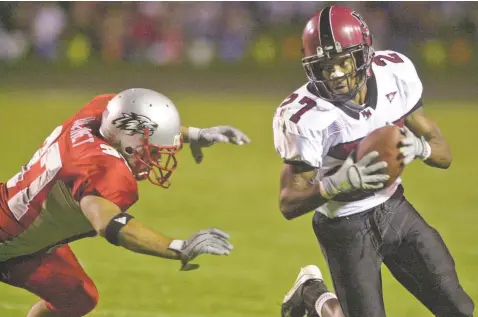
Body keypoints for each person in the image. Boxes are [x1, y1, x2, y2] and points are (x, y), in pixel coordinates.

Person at [273, 5, 474, 317]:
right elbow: (288, 203)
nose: (336, 74)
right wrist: (336, 183)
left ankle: (311, 296)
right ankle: (313, 296)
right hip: (343, 225)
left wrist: (420, 148)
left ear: (364, 54)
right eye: (325, 66)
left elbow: (443, 154)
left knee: (458, 308)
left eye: (342, 61)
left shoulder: (394, 73)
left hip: (394, 208)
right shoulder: (306, 114)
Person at [0, 88, 250, 317]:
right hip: (7, 238)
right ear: (130, 144)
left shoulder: (100, 117)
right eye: (153, 151)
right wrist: (178, 247)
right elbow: (108, 223)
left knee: (77, 298)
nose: (156, 157)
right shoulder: (103, 167)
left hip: (24, 241)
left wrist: (194, 134)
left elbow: (139, 122)